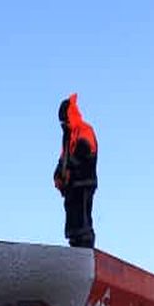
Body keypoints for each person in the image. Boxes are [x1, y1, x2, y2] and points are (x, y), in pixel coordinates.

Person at [54, 94, 98, 247]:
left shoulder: (84, 130)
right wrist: (58, 174)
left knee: (83, 219)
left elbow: (86, 151)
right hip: (72, 186)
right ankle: (75, 245)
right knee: (72, 219)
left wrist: (70, 169)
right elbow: (63, 158)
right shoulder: (67, 137)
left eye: (64, 119)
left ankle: (86, 248)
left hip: (84, 182)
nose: (63, 123)